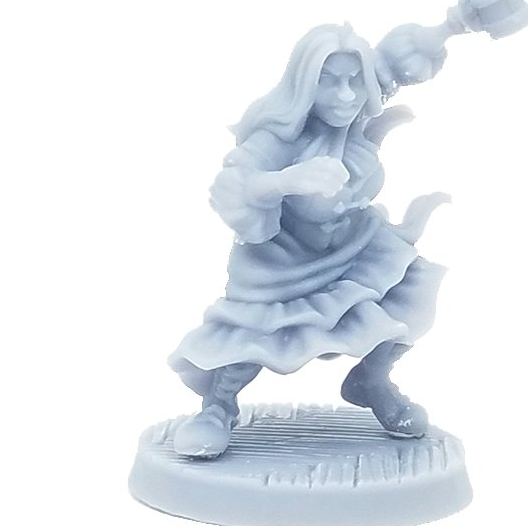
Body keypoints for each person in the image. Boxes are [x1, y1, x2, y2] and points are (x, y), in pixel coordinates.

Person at [167, 22, 456, 457]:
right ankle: (218, 405)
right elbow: (234, 185)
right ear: (305, 83)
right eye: (329, 81)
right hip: (282, 260)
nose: (345, 94)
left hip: (353, 243)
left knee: (410, 290)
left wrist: (456, 24)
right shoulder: (278, 137)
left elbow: (398, 61)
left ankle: (371, 380)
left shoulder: (357, 110)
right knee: (254, 334)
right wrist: (286, 181)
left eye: (354, 80)